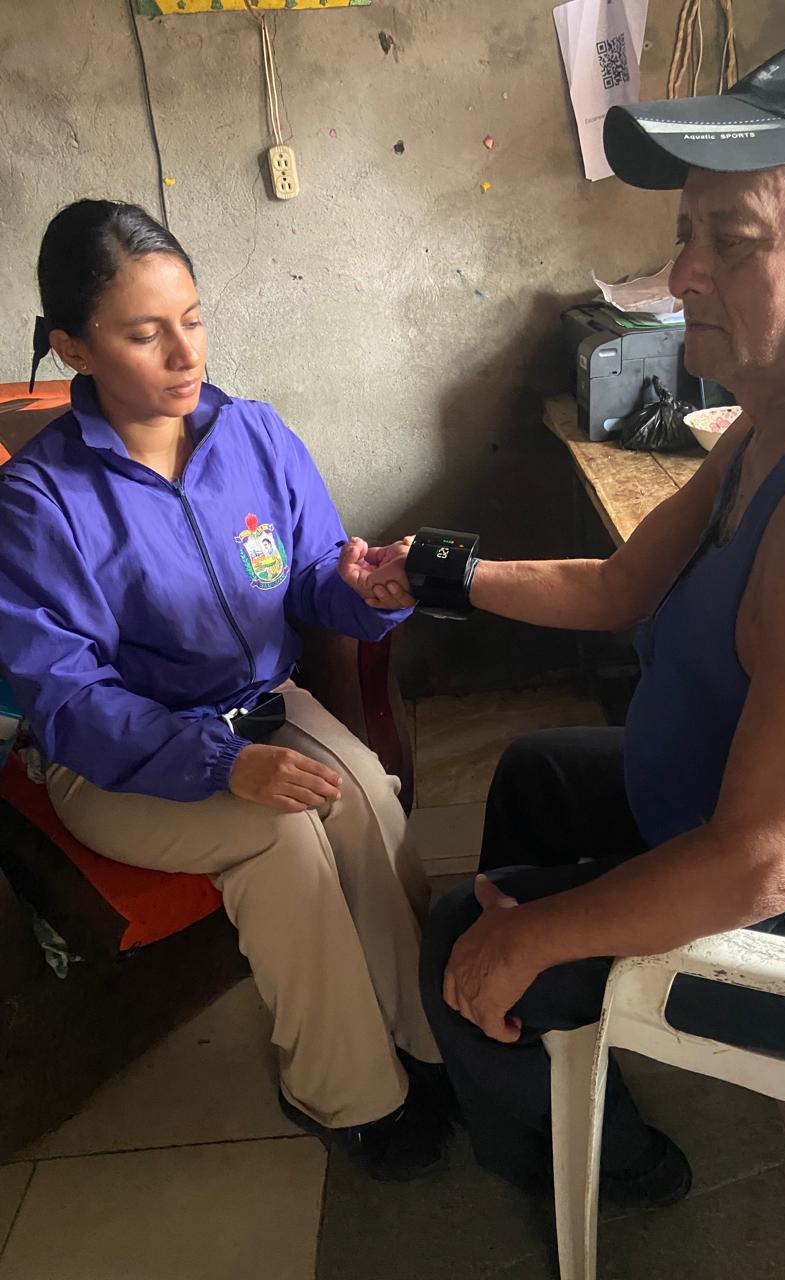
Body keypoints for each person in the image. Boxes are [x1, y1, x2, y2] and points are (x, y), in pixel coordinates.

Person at [353, 34, 785, 1200]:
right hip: (734, 828)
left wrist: (537, 934)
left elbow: (763, 861)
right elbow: (619, 586)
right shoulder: (780, 413)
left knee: (466, 939)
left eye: (731, 241)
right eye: (687, 231)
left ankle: (619, 1169)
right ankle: (548, 1045)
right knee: (535, 772)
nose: (681, 276)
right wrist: (434, 571)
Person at [0, 200, 449, 1181]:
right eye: (143, 333)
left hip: (261, 706)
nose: (185, 353)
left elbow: (314, 573)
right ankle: (343, 1091)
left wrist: (367, 590)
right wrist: (223, 764)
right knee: (280, 838)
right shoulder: (41, 500)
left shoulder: (252, 434)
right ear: (73, 346)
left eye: (193, 319)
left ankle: (424, 1032)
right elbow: (67, 698)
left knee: (364, 798)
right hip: (116, 759)